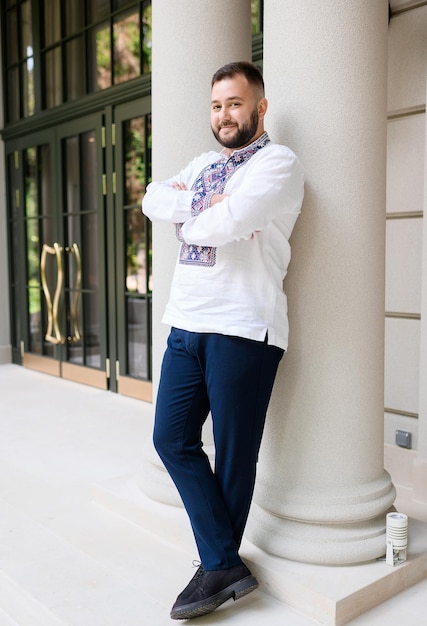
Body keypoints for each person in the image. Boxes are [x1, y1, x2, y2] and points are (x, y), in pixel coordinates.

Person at [142, 61, 304, 620]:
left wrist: (201, 213)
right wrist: (201, 206)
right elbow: (151, 198)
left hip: (244, 326)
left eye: (235, 104)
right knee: (171, 439)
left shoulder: (278, 163)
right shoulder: (206, 164)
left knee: (235, 456)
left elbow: (232, 222)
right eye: (216, 105)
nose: (224, 115)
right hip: (186, 322)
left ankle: (216, 568)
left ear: (259, 108)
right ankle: (223, 563)